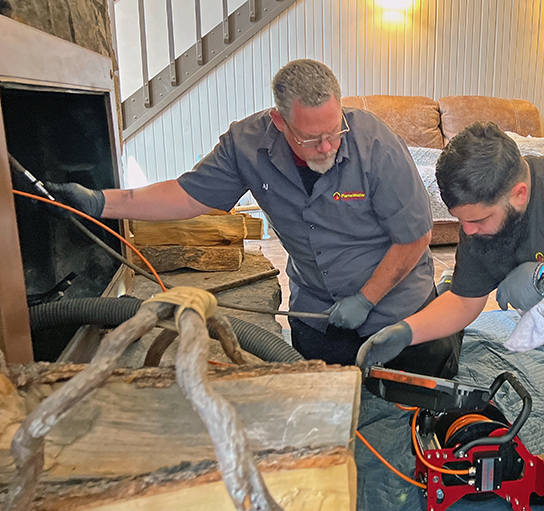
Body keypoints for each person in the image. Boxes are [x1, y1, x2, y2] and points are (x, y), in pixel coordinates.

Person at [48, 58, 462, 375]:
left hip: (399, 315)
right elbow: (187, 196)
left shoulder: (375, 144)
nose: (327, 147)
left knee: (422, 403)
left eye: (334, 132)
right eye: (311, 138)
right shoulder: (245, 146)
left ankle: (450, 322)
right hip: (319, 318)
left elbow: (415, 236)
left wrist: (367, 298)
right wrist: (101, 203)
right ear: (279, 122)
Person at [357, 121, 544, 499]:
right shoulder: (483, 218)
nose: (467, 232)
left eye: (477, 220)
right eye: (461, 221)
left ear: (519, 195)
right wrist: (405, 331)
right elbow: (464, 299)